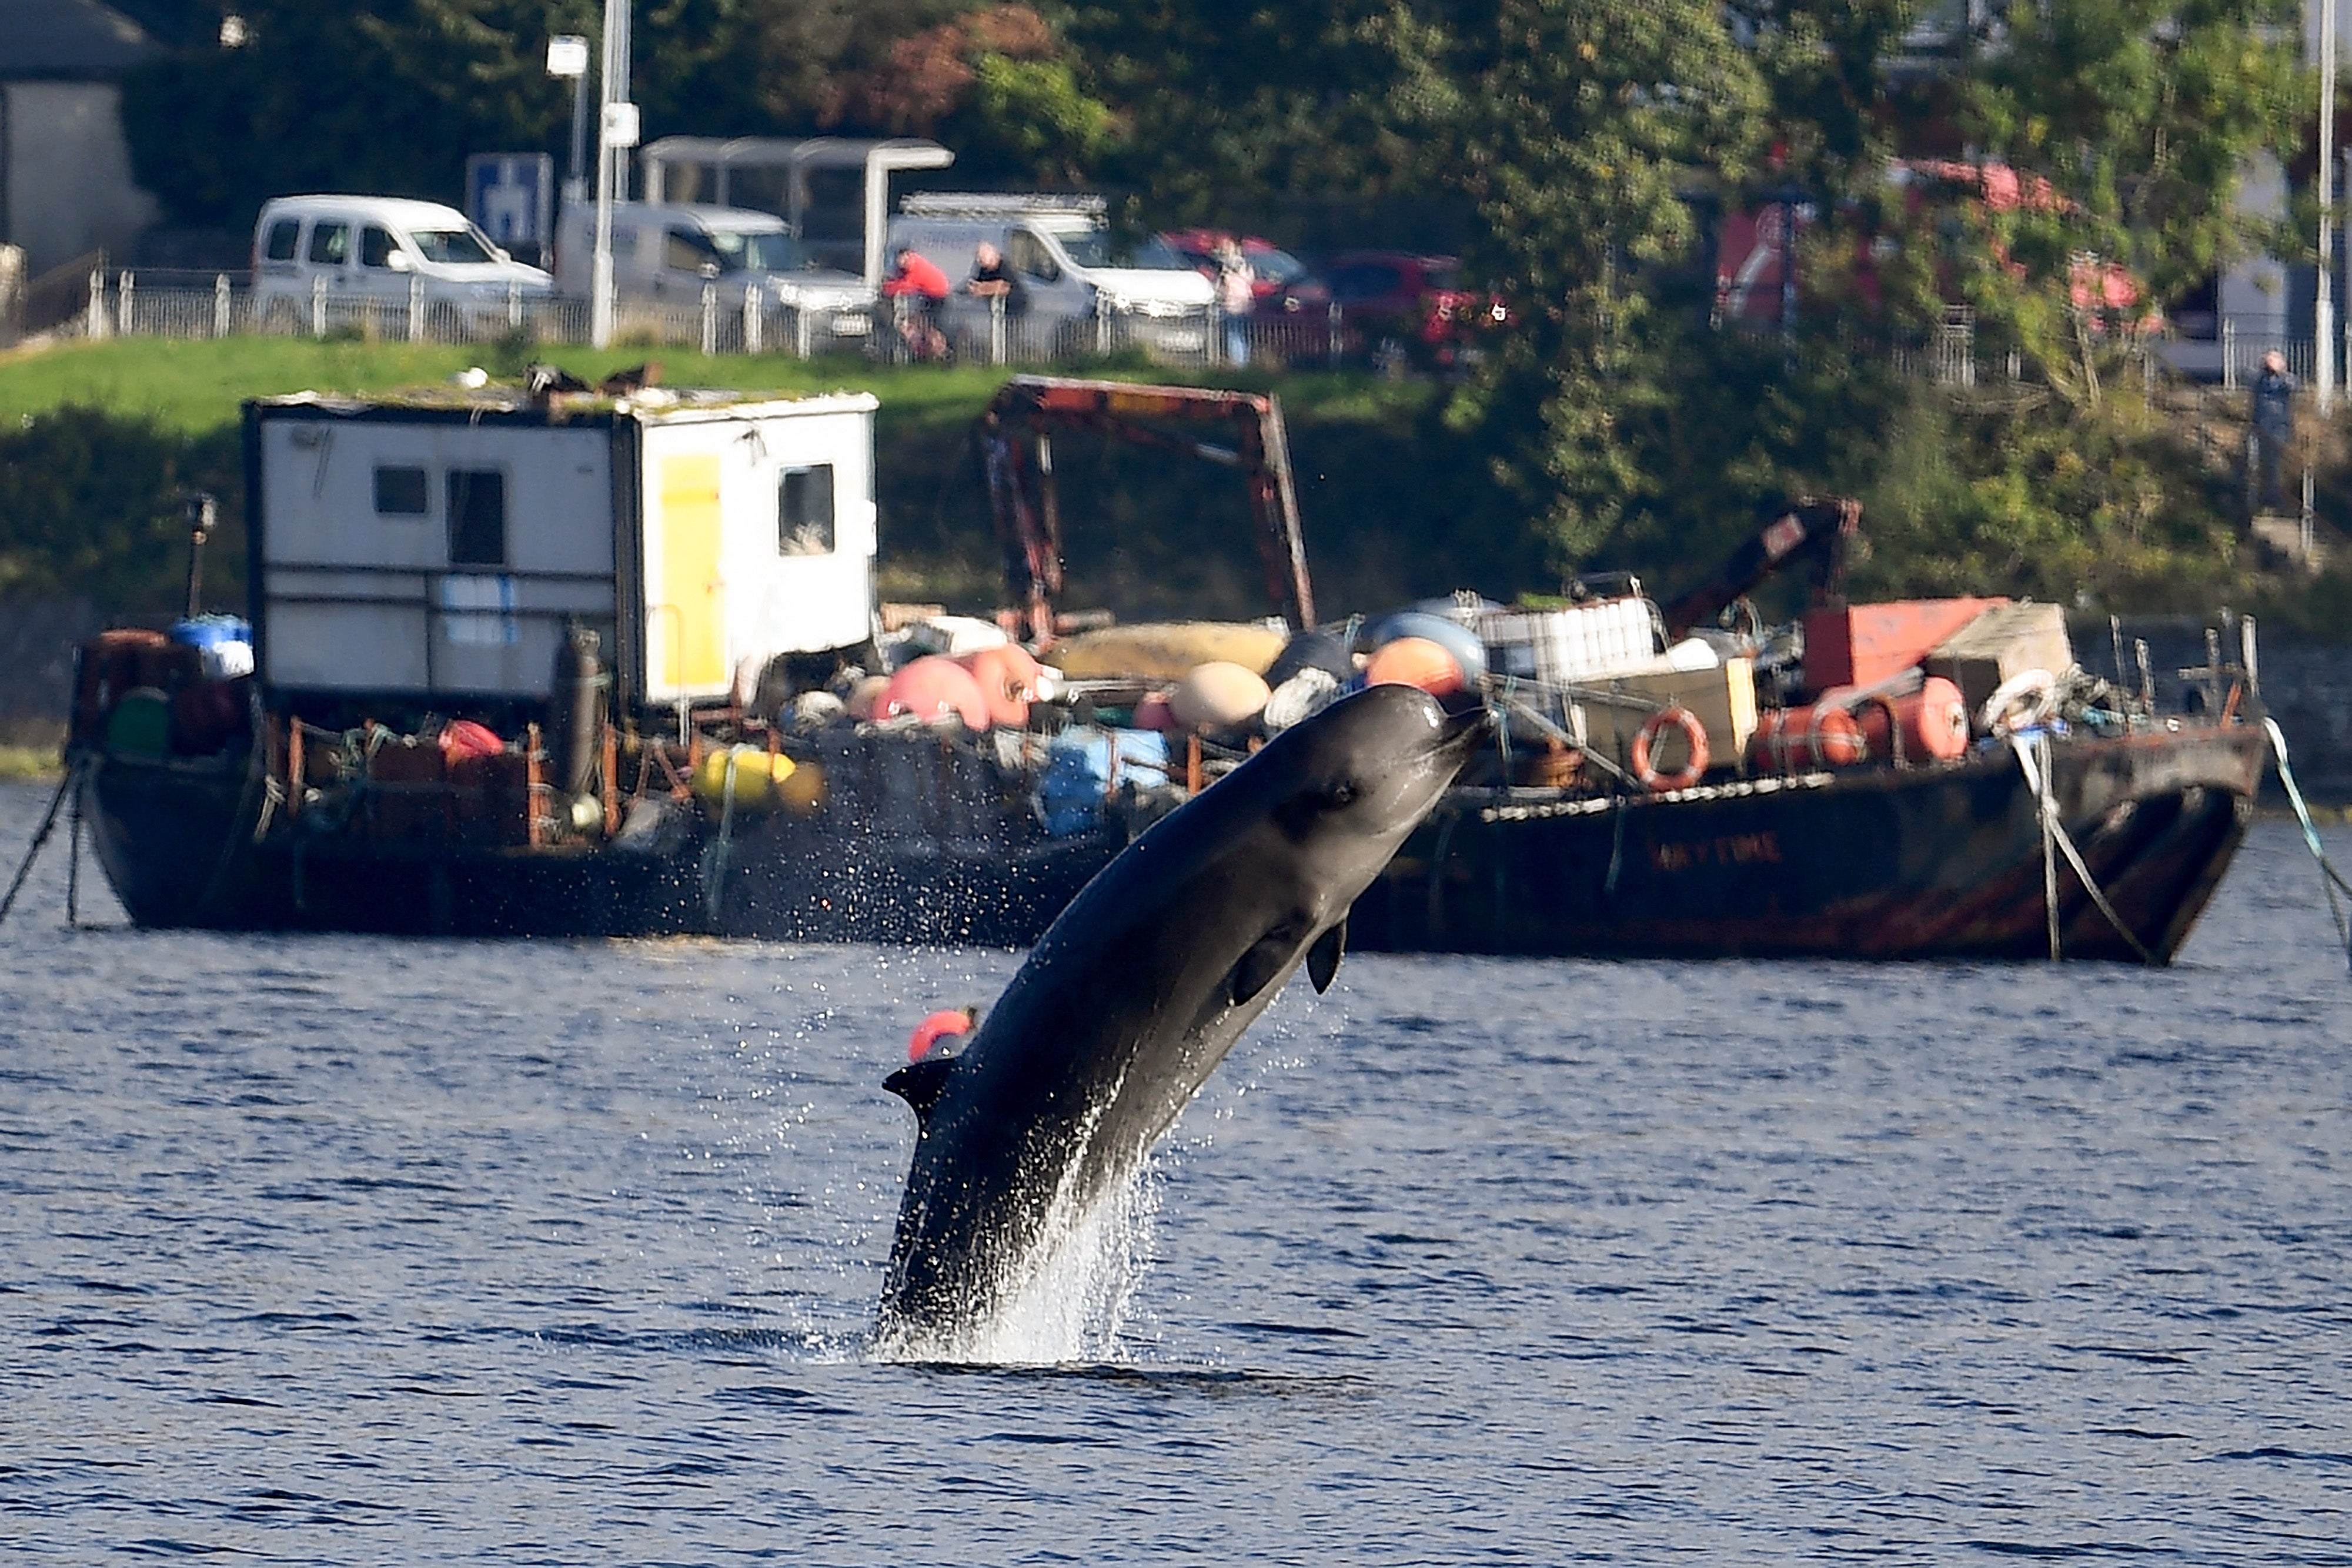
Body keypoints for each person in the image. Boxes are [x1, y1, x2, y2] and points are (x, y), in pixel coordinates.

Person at [880, 247, 950, 361]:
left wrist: (886, 287)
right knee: (918, 322)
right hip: (929, 296)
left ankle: (939, 353)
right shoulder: (914, 264)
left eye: (903, 260)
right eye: (899, 261)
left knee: (928, 327)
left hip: (938, 297)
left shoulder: (917, 270)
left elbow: (906, 287)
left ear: (909, 255)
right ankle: (928, 351)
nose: (900, 264)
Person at [2251, 348, 2297, 511]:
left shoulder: (2287, 379)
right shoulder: (2260, 379)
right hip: (2260, 426)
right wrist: (2264, 367)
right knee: (2256, 463)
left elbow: (2292, 386)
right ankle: (2257, 499)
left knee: (2274, 464)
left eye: (2274, 359)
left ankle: (2272, 499)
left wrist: (2280, 372)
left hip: (2278, 427)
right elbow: (2247, 378)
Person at [1214, 238, 1255, 367]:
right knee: (1240, 333)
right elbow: (1251, 279)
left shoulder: (1231, 264)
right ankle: (1242, 361)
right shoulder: (1245, 264)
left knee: (1234, 334)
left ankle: (1239, 362)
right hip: (1244, 302)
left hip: (1234, 302)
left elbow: (1223, 283)